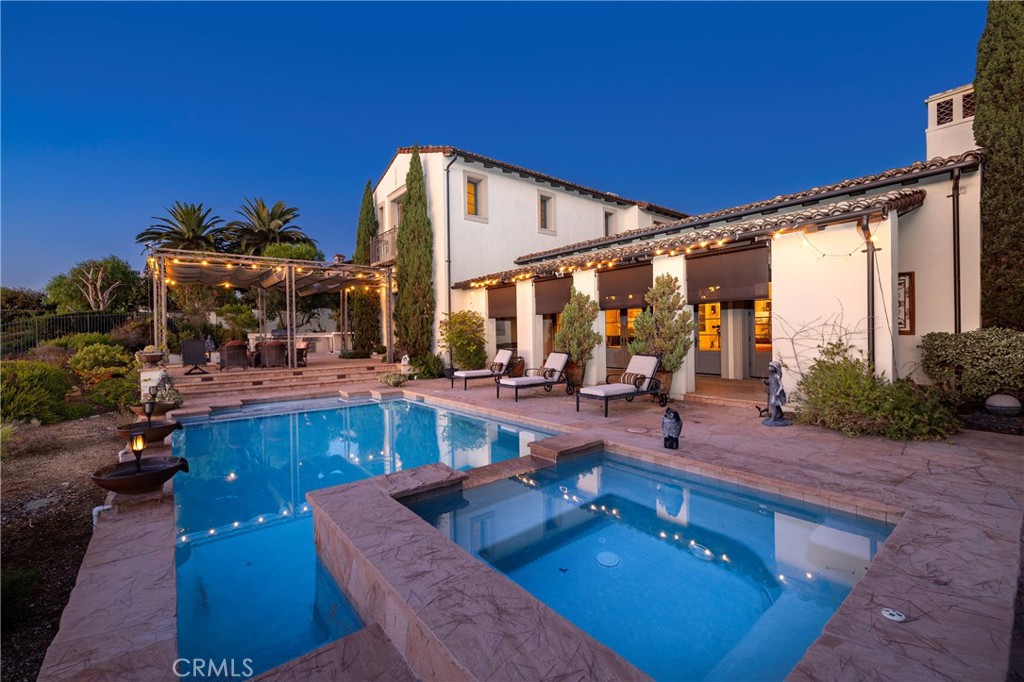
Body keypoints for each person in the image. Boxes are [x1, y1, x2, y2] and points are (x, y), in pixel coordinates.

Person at [763, 360, 791, 426]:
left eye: (771, 366)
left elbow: (781, 386)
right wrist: (765, 382)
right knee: (775, 404)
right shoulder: (771, 376)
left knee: (773, 404)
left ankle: (773, 418)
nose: (769, 368)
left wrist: (778, 392)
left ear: (776, 368)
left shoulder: (777, 376)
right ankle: (780, 414)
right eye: (769, 366)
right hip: (772, 391)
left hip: (776, 392)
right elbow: (770, 383)